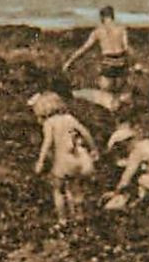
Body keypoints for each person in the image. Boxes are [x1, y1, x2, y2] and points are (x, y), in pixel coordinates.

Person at [28, 92, 99, 223]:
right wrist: (93, 149)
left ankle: (63, 220)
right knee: (75, 188)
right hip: (78, 158)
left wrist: (41, 160)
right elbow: (85, 132)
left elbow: (47, 143)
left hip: (62, 162)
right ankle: (78, 216)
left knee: (58, 190)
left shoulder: (49, 123)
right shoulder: (69, 118)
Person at [64, 6, 132, 95]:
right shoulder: (122, 29)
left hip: (108, 62)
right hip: (121, 62)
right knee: (121, 94)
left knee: (106, 94)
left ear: (102, 17)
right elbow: (127, 48)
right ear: (113, 16)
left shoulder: (98, 31)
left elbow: (85, 48)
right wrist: (134, 63)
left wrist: (69, 62)